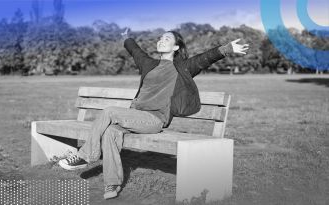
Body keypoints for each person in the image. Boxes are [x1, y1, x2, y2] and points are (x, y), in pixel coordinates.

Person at [58, 28, 249, 199]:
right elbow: (135, 50)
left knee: (109, 112)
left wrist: (227, 48)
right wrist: (127, 37)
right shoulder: (149, 64)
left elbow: (204, 58)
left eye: (167, 39)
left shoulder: (182, 67)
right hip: (134, 117)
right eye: (160, 38)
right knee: (110, 133)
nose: (161, 40)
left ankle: (85, 155)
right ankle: (112, 183)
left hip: (154, 120)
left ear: (175, 48)